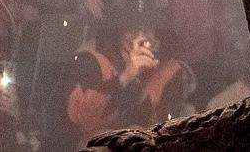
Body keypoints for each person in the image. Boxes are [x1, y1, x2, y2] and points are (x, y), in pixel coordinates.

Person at [63, 16, 188, 146]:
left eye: (147, 29)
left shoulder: (168, 69)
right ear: (118, 34)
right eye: (133, 31)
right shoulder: (91, 62)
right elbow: (77, 123)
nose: (141, 38)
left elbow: (166, 125)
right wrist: (125, 77)